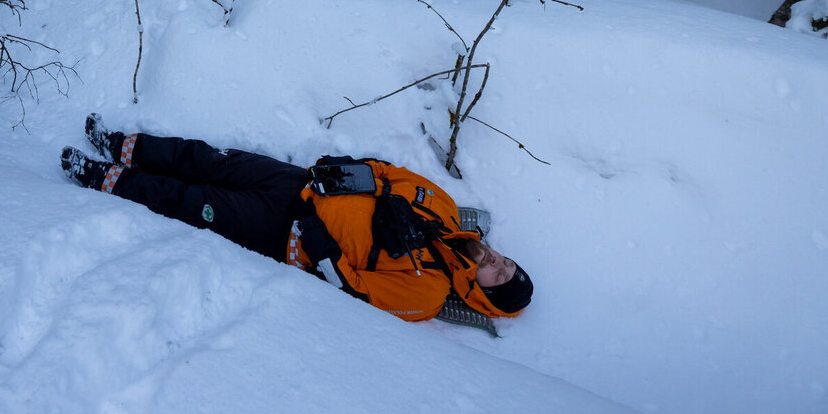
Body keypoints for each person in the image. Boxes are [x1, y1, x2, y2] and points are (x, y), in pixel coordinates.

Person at [60, 115, 532, 322]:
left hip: (288, 233)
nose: (496, 261)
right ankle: (123, 144)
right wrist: (345, 172)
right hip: (300, 181)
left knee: (191, 200)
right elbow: (387, 173)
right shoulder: (445, 209)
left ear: (482, 295)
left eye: (497, 275)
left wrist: (314, 228)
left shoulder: (427, 292)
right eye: (506, 262)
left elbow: (350, 289)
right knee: (208, 159)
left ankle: (102, 177)